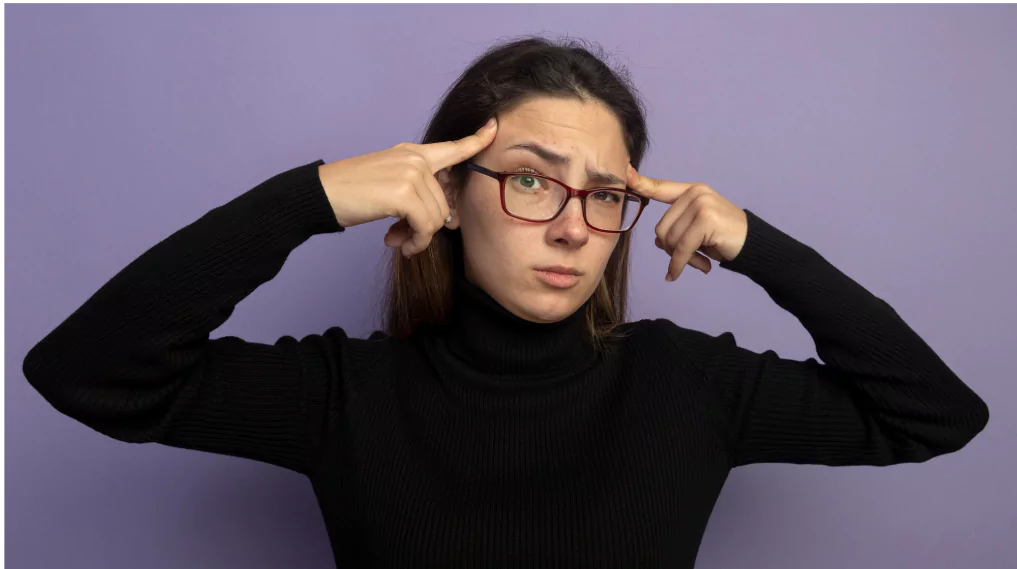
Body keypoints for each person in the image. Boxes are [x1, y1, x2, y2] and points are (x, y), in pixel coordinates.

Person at [22, 36, 989, 568]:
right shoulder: (345, 394)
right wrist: (309, 197)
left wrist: (758, 245)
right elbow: (85, 372)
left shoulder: (687, 383)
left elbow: (934, 414)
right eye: (530, 180)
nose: (573, 225)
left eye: (604, 192)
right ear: (444, 193)